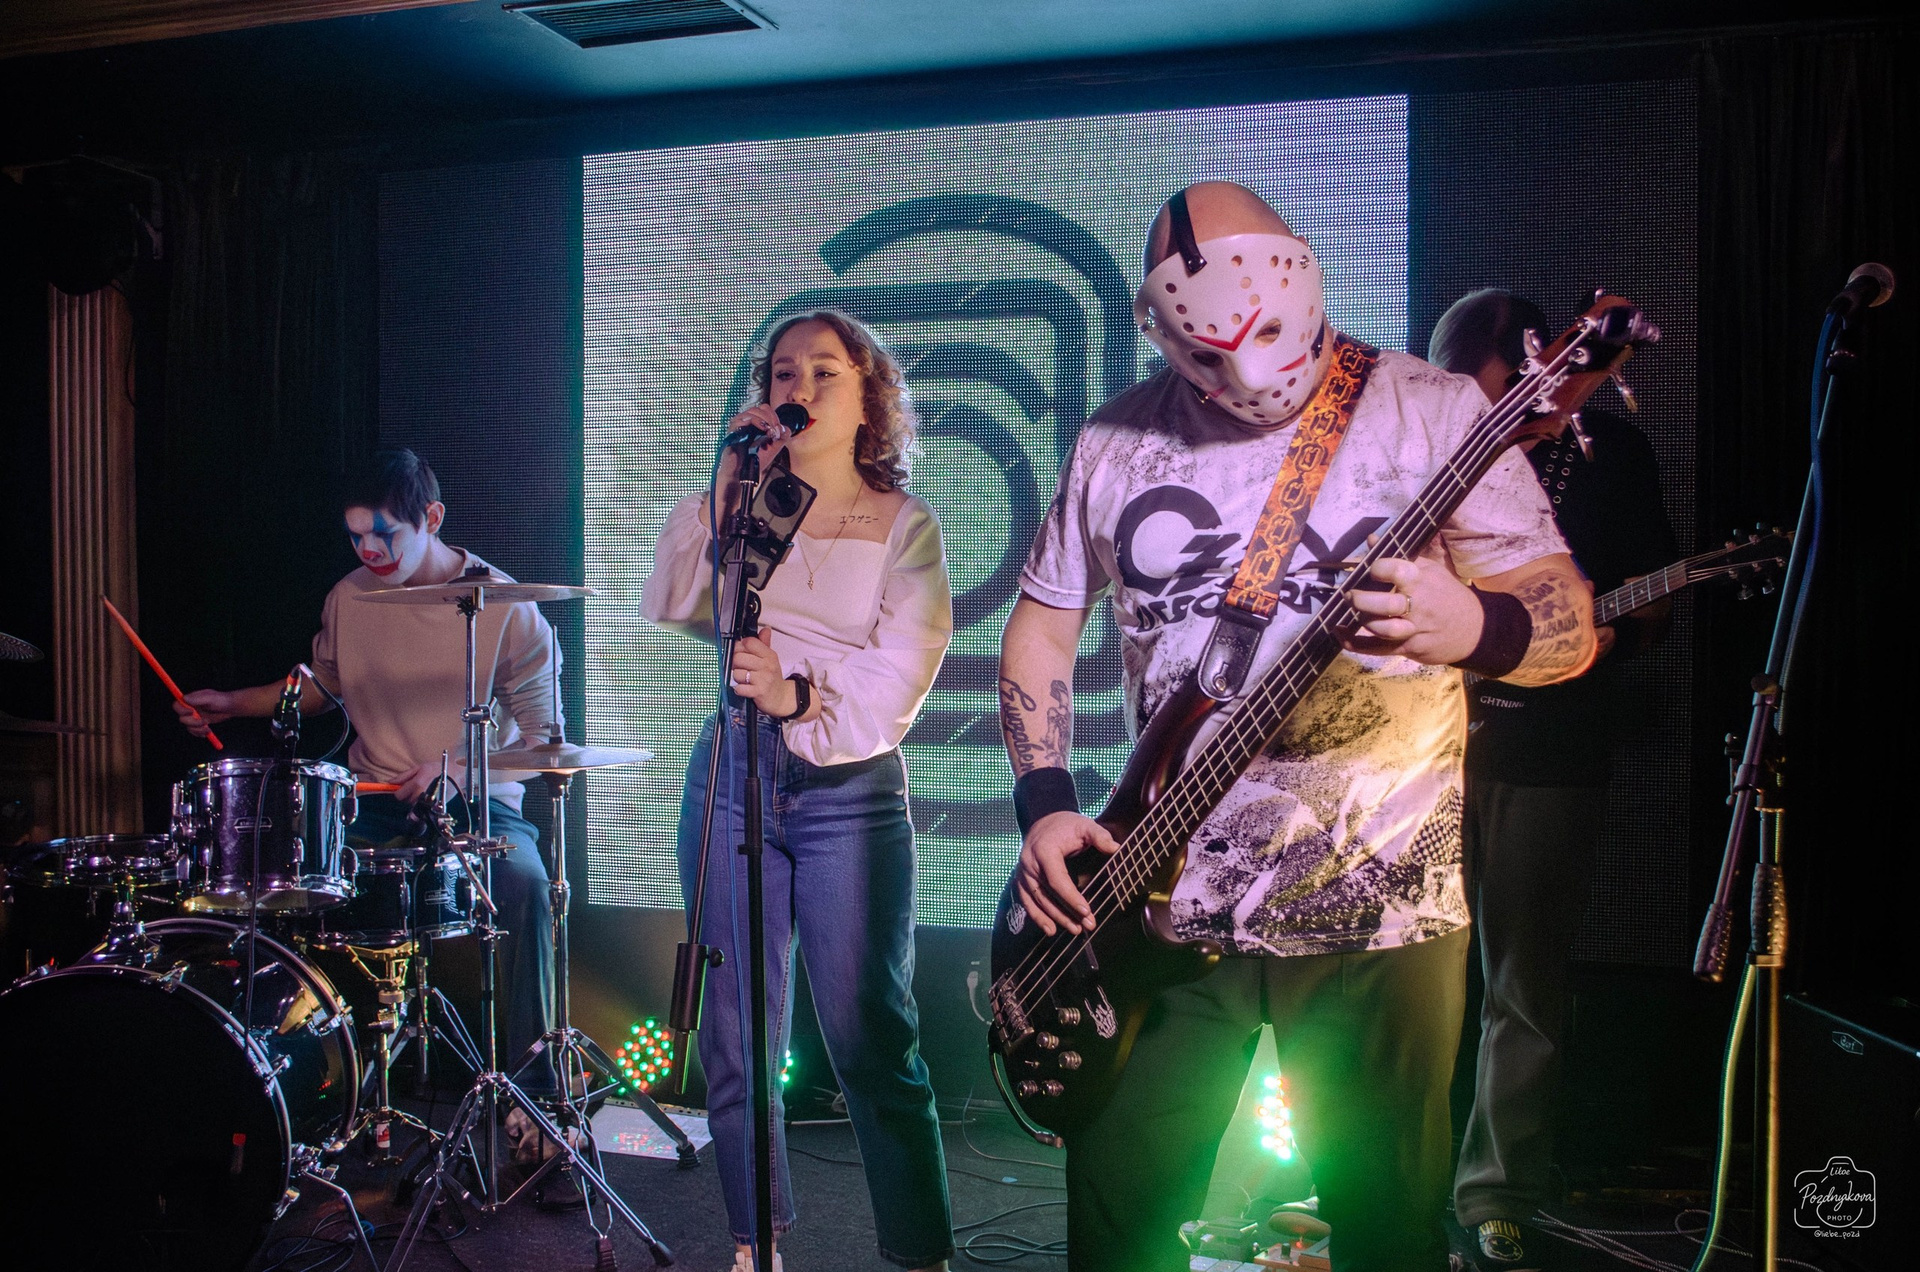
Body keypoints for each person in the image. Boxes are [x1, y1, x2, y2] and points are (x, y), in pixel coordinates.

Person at [998, 182, 1598, 1272]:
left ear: (1303, 282)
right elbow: (1041, 625)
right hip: (1158, 903)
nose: (1242, 379)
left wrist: (1477, 624)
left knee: (1385, 1236)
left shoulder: (1431, 410)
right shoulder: (1115, 438)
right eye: (1205, 360)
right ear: (1161, 331)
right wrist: (1043, 800)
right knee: (1118, 1228)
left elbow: (1569, 623)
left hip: (1383, 917)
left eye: (1265, 342)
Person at [640, 310, 956, 1272]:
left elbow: (903, 670)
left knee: (869, 1036)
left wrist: (798, 693)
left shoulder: (903, 524)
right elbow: (675, 603)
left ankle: (919, 1252)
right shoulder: (746, 504)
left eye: (826, 372)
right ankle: (755, 1243)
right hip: (732, 773)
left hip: (846, 790)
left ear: (868, 399)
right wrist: (726, 484)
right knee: (736, 1040)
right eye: (785, 372)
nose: (801, 388)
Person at [175, 448, 558, 1102]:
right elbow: (322, 686)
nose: (369, 550)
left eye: (384, 534)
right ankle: (290, 1089)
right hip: (372, 801)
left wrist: (460, 770)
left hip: (479, 804)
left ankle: (535, 1095)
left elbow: (546, 741)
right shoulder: (349, 597)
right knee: (274, 878)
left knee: (527, 886)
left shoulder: (509, 607)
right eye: (356, 536)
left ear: (432, 518)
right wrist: (232, 703)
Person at [1430, 290, 1676, 1272]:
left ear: (1536, 363)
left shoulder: (1613, 456)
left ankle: (1497, 1194)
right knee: (1405, 980)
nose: (1473, 404)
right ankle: (1397, 1176)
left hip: (1554, 748)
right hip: (1426, 752)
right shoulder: (1433, 449)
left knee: (1524, 985)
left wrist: (1604, 638)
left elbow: (1653, 598)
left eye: (1485, 383)